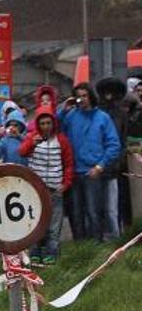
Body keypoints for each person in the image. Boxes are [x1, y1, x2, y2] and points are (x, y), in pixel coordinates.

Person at [58, 83, 121, 241]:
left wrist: (100, 166)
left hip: (92, 172)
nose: (82, 99)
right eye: (79, 96)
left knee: (94, 212)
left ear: (91, 96)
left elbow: (114, 145)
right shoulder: (71, 115)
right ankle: (80, 247)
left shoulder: (102, 117)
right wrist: (63, 110)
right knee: (76, 213)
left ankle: (96, 246)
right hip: (74, 172)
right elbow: (56, 129)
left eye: (85, 96)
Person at [19, 106, 74, 263]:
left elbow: (69, 163)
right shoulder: (32, 137)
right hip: (36, 190)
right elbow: (21, 152)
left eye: (48, 123)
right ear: (38, 124)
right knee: (35, 222)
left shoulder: (61, 140)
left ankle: (51, 252)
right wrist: (31, 144)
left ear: (53, 123)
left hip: (55, 188)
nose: (45, 126)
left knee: (54, 224)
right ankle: (35, 251)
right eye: (42, 123)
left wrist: (66, 184)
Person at [96, 77, 131, 231]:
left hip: (118, 165)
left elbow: (123, 139)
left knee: (117, 202)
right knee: (100, 203)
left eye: (112, 92)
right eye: (106, 92)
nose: (109, 96)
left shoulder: (122, 114)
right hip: (98, 162)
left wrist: (119, 160)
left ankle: (118, 231)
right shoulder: (98, 113)